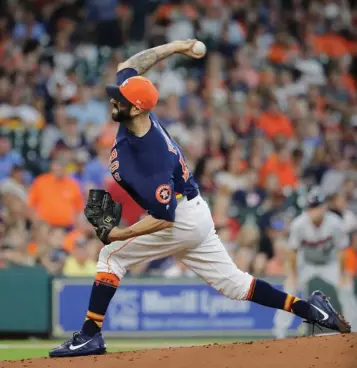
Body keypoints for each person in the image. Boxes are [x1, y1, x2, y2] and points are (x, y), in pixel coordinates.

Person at [49, 40, 351, 358]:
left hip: (179, 215)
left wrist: (120, 234)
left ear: (136, 107)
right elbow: (130, 63)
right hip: (194, 212)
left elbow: (166, 215)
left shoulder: (152, 155)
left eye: (120, 99)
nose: (113, 100)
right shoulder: (134, 117)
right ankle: (313, 311)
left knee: (112, 256)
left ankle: (89, 335)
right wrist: (176, 47)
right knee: (236, 285)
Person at [273, 187, 356, 338]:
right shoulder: (299, 224)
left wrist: (342, 274)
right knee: (289, 289)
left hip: (330, 263)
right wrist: (293, 275)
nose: (313, 211)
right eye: (310, 207)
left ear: (324, 207)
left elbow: (342, 250)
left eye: (316, 207)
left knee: (346, 287)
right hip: (307, 263)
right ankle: (279, 332)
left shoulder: (335, 223)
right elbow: (292, 252)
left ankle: (355, 331)